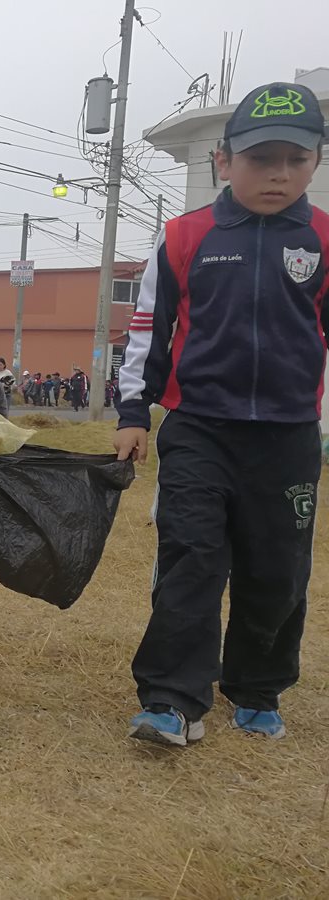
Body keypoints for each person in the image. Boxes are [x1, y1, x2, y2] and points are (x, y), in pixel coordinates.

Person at [115, 82, 327, 747]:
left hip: (290, 435)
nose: (280, 174)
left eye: (296, 158)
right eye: (262, 159)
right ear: (225, 163)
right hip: (199, 427)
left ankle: (257, 688)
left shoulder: (323, 238)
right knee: (192, 557)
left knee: (276, 569)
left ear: (315, 162)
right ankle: (171, 699)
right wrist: (131, 413)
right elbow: (147, 331)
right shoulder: (185, 237)